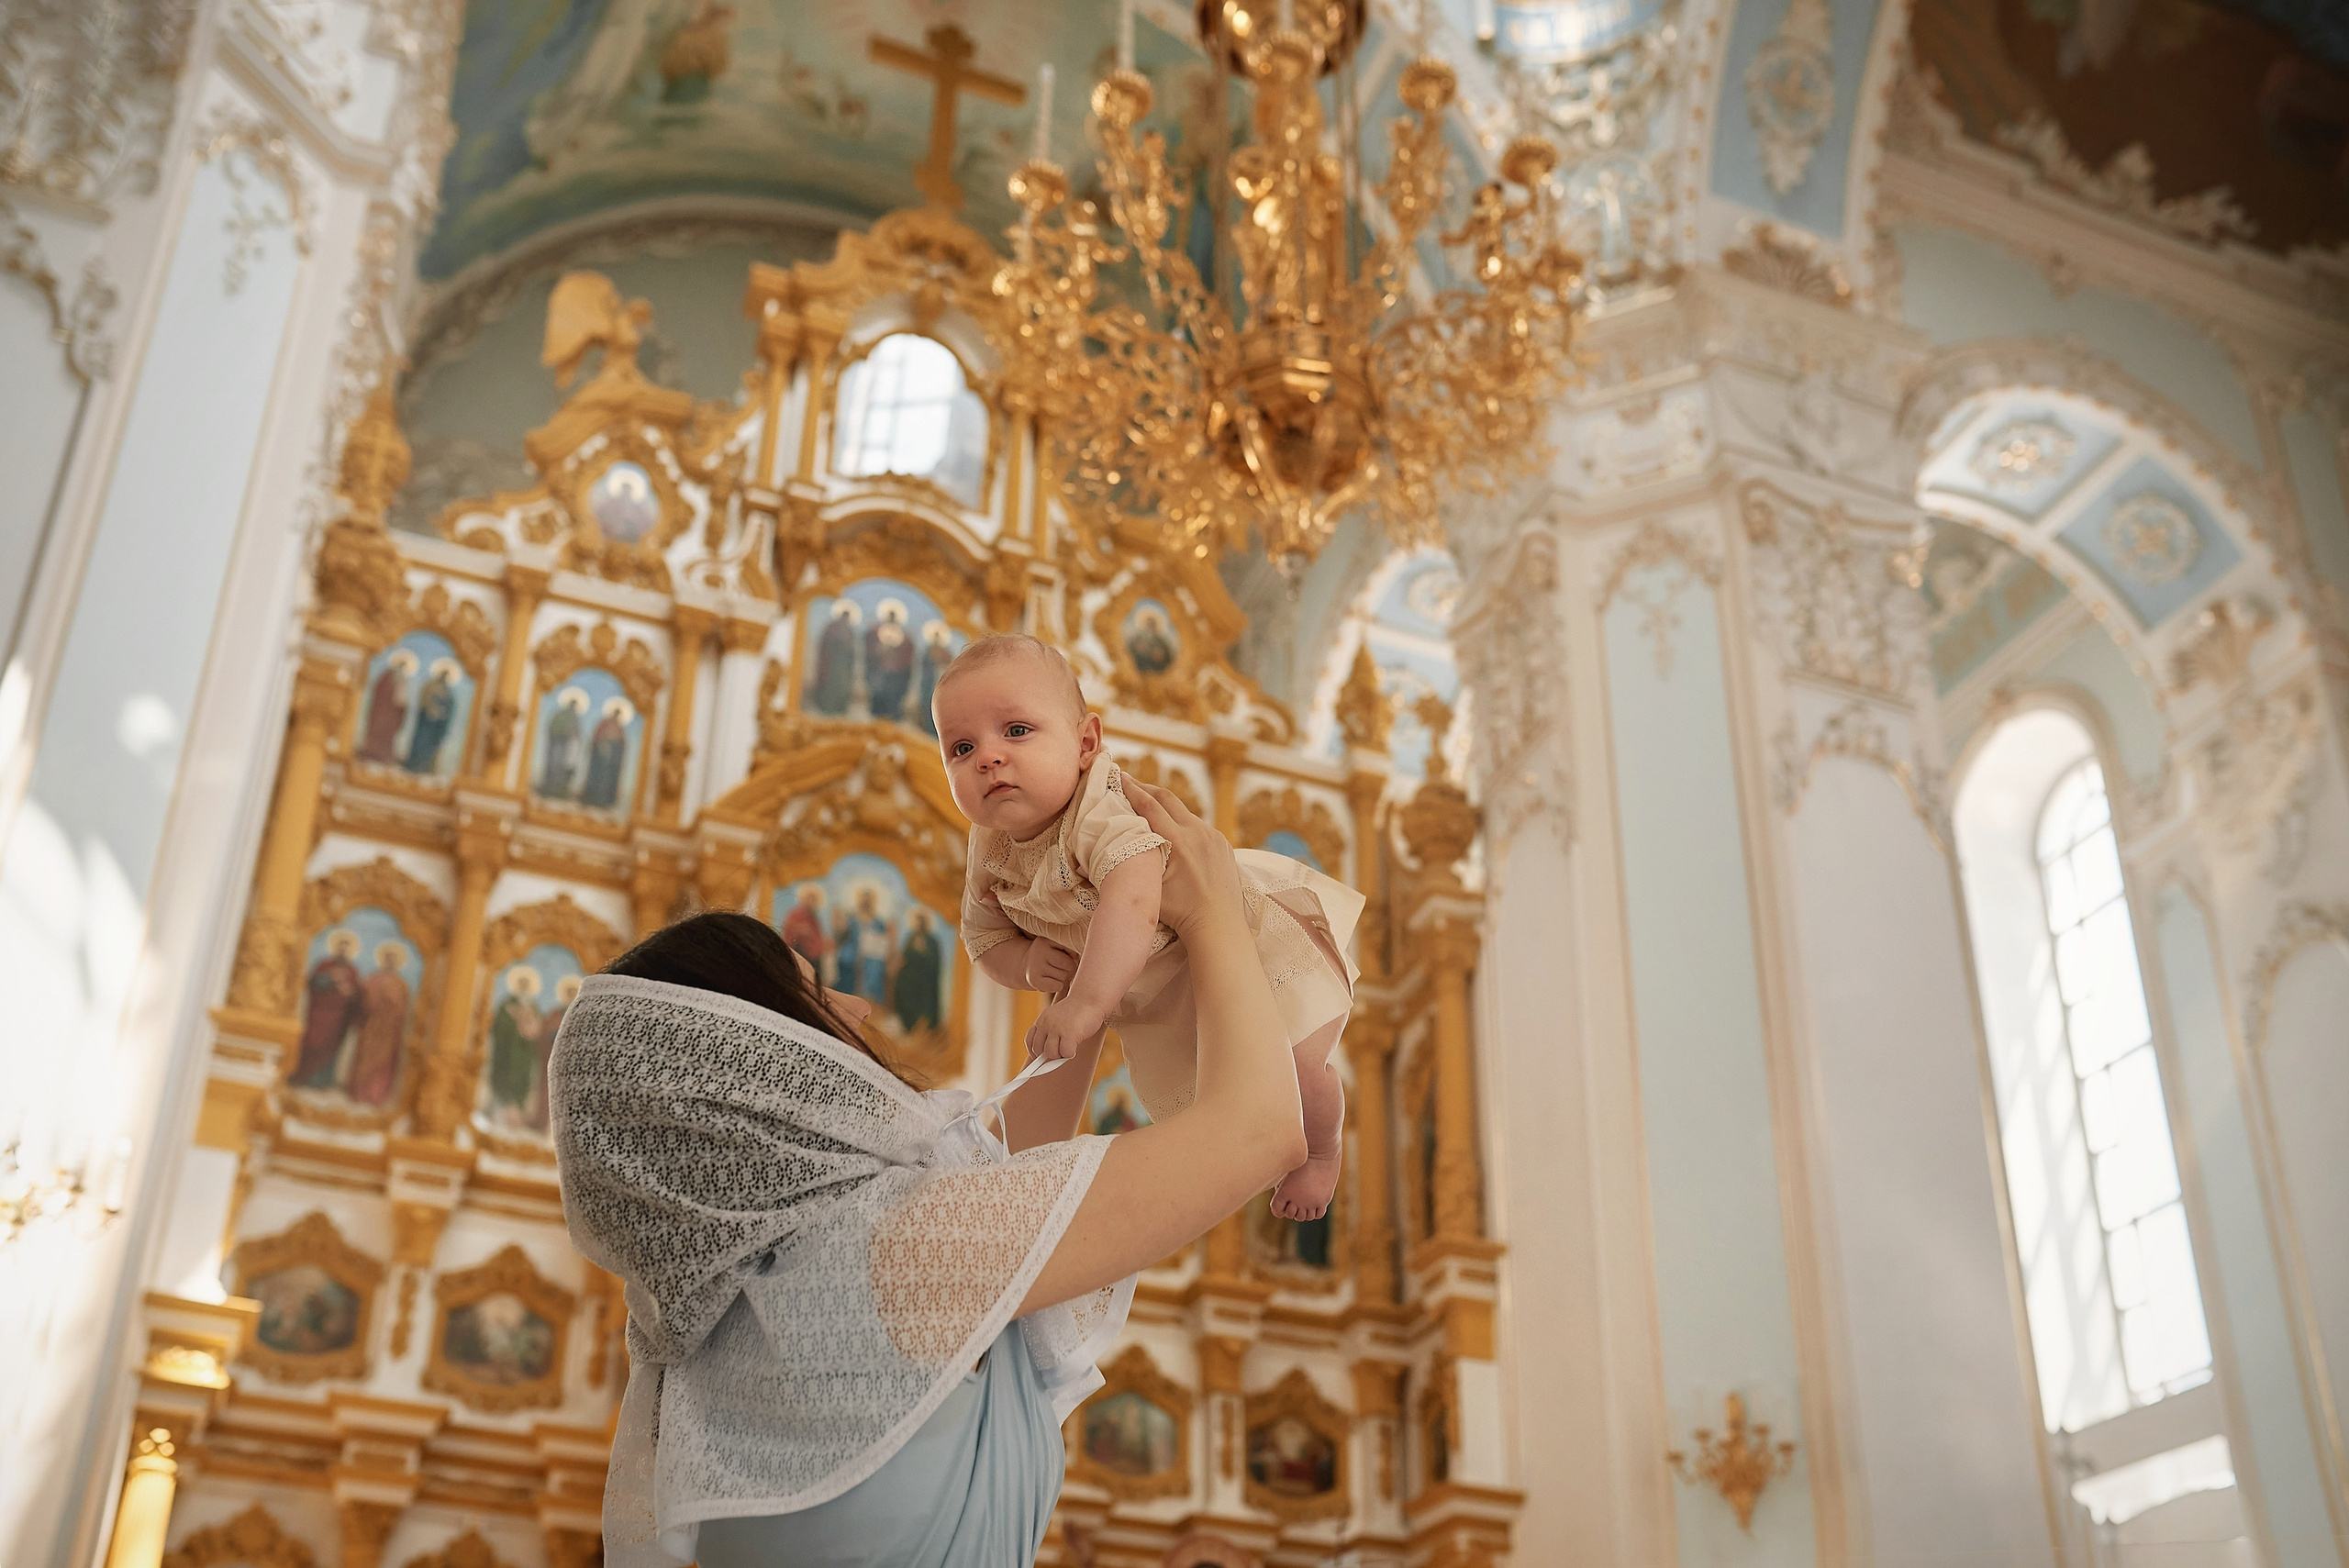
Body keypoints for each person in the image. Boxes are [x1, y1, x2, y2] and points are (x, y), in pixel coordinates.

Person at [550, 780, 1304, 1568]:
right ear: (756, 1072)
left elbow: (1015, 1174)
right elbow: (1257, 1131)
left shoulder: (731, 1326)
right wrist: (1212, 908)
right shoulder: (887, 1257)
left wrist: (1087, 977)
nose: (858, 1006)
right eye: (814, 994)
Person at [933, 635, 1358, 1220]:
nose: (988, 757)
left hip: (1251, 956)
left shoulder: (1097, 809)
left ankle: (1324, 1153)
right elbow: (983, 939)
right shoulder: (989, 848)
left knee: (1297, 1071)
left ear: (1086, 744)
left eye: (1016, 731)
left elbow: (1132, 899)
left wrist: (1085, 1003)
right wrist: (1026, 963)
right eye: (961, 747)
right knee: (1219, 1100)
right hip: (1162, 995)